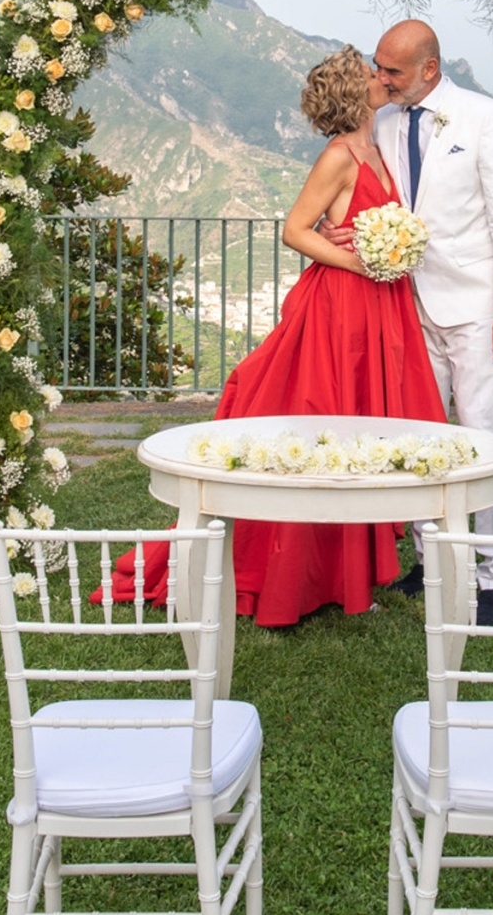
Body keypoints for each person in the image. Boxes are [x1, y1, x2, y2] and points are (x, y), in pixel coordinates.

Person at [104, 44, 447, 625]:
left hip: (379, 305)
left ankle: (346, 570)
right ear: (352, 90)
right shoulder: (339, 154)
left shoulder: (377, 142)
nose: (379, 78)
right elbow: (295, 229)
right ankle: (297, 573)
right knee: (327, 423)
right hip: (341, 306)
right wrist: (361, 262)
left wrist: (388, 249)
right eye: (371, 74)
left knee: (360, 428)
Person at [366, 18, 493, 624]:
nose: (380, 78)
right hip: (405, 306)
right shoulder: (383, 120)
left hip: (476, 307)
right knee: (419, 435)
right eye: (378, 66)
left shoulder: (484, 116)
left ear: (429, 69)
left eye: (391, 70)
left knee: (482, 435)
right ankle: (430, 557)